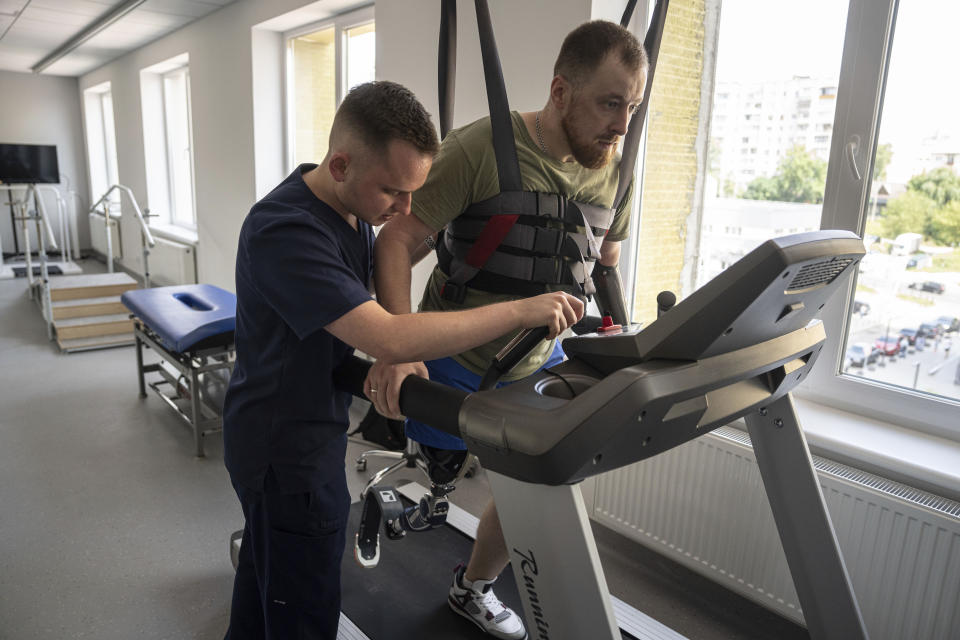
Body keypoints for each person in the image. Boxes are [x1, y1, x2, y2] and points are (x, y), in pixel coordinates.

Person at [222, 80, 584, 640]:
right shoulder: (287, 229)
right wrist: (521, 311)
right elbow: (387, 335)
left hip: (299, 424)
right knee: (304, 602)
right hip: (283, 450)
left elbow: (323, 336)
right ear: (340, 164)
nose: (406, 210)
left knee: (264, 578)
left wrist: (371, 371)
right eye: (394, 191)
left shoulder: (347, 217)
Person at [374, 21, 648, 640]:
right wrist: (394, 348)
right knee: (443, 470)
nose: (623, 125)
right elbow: (396, 240)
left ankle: (471, 587)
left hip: (534, 363)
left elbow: (602, 264)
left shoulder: (618, 171)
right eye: (610, 103)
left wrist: (626, 338)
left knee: (538, 488)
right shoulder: (479, 149)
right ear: (560, 91)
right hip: (449, 359)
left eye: (633, 106)